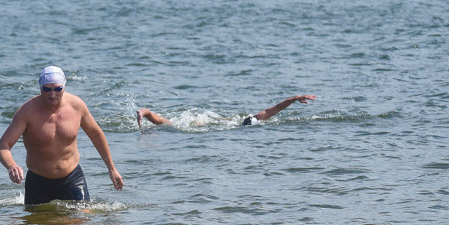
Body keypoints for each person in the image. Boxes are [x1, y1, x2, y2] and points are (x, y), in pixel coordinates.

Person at [0, 66, 124, 205]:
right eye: (47, 89)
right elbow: (4, 145)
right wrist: (12, 166)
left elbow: (96, 135)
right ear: (40, 88)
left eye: (57, 89)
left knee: (81, 221)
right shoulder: (27, 112)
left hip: (72, 178)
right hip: (39, 182)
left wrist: (112, 169)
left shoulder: (77, 106)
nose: (52, 94)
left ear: (64, 87)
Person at [136, 94, 317, 129]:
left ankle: (146, 112)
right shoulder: (243, 123)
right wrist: (293, 99)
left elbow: (273, 109)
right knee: (170, 124)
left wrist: (293, 99)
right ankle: (146, 112)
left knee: (170, 124)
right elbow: (273, 110)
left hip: (203, 122)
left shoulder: (241, 121)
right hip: (207, 125)